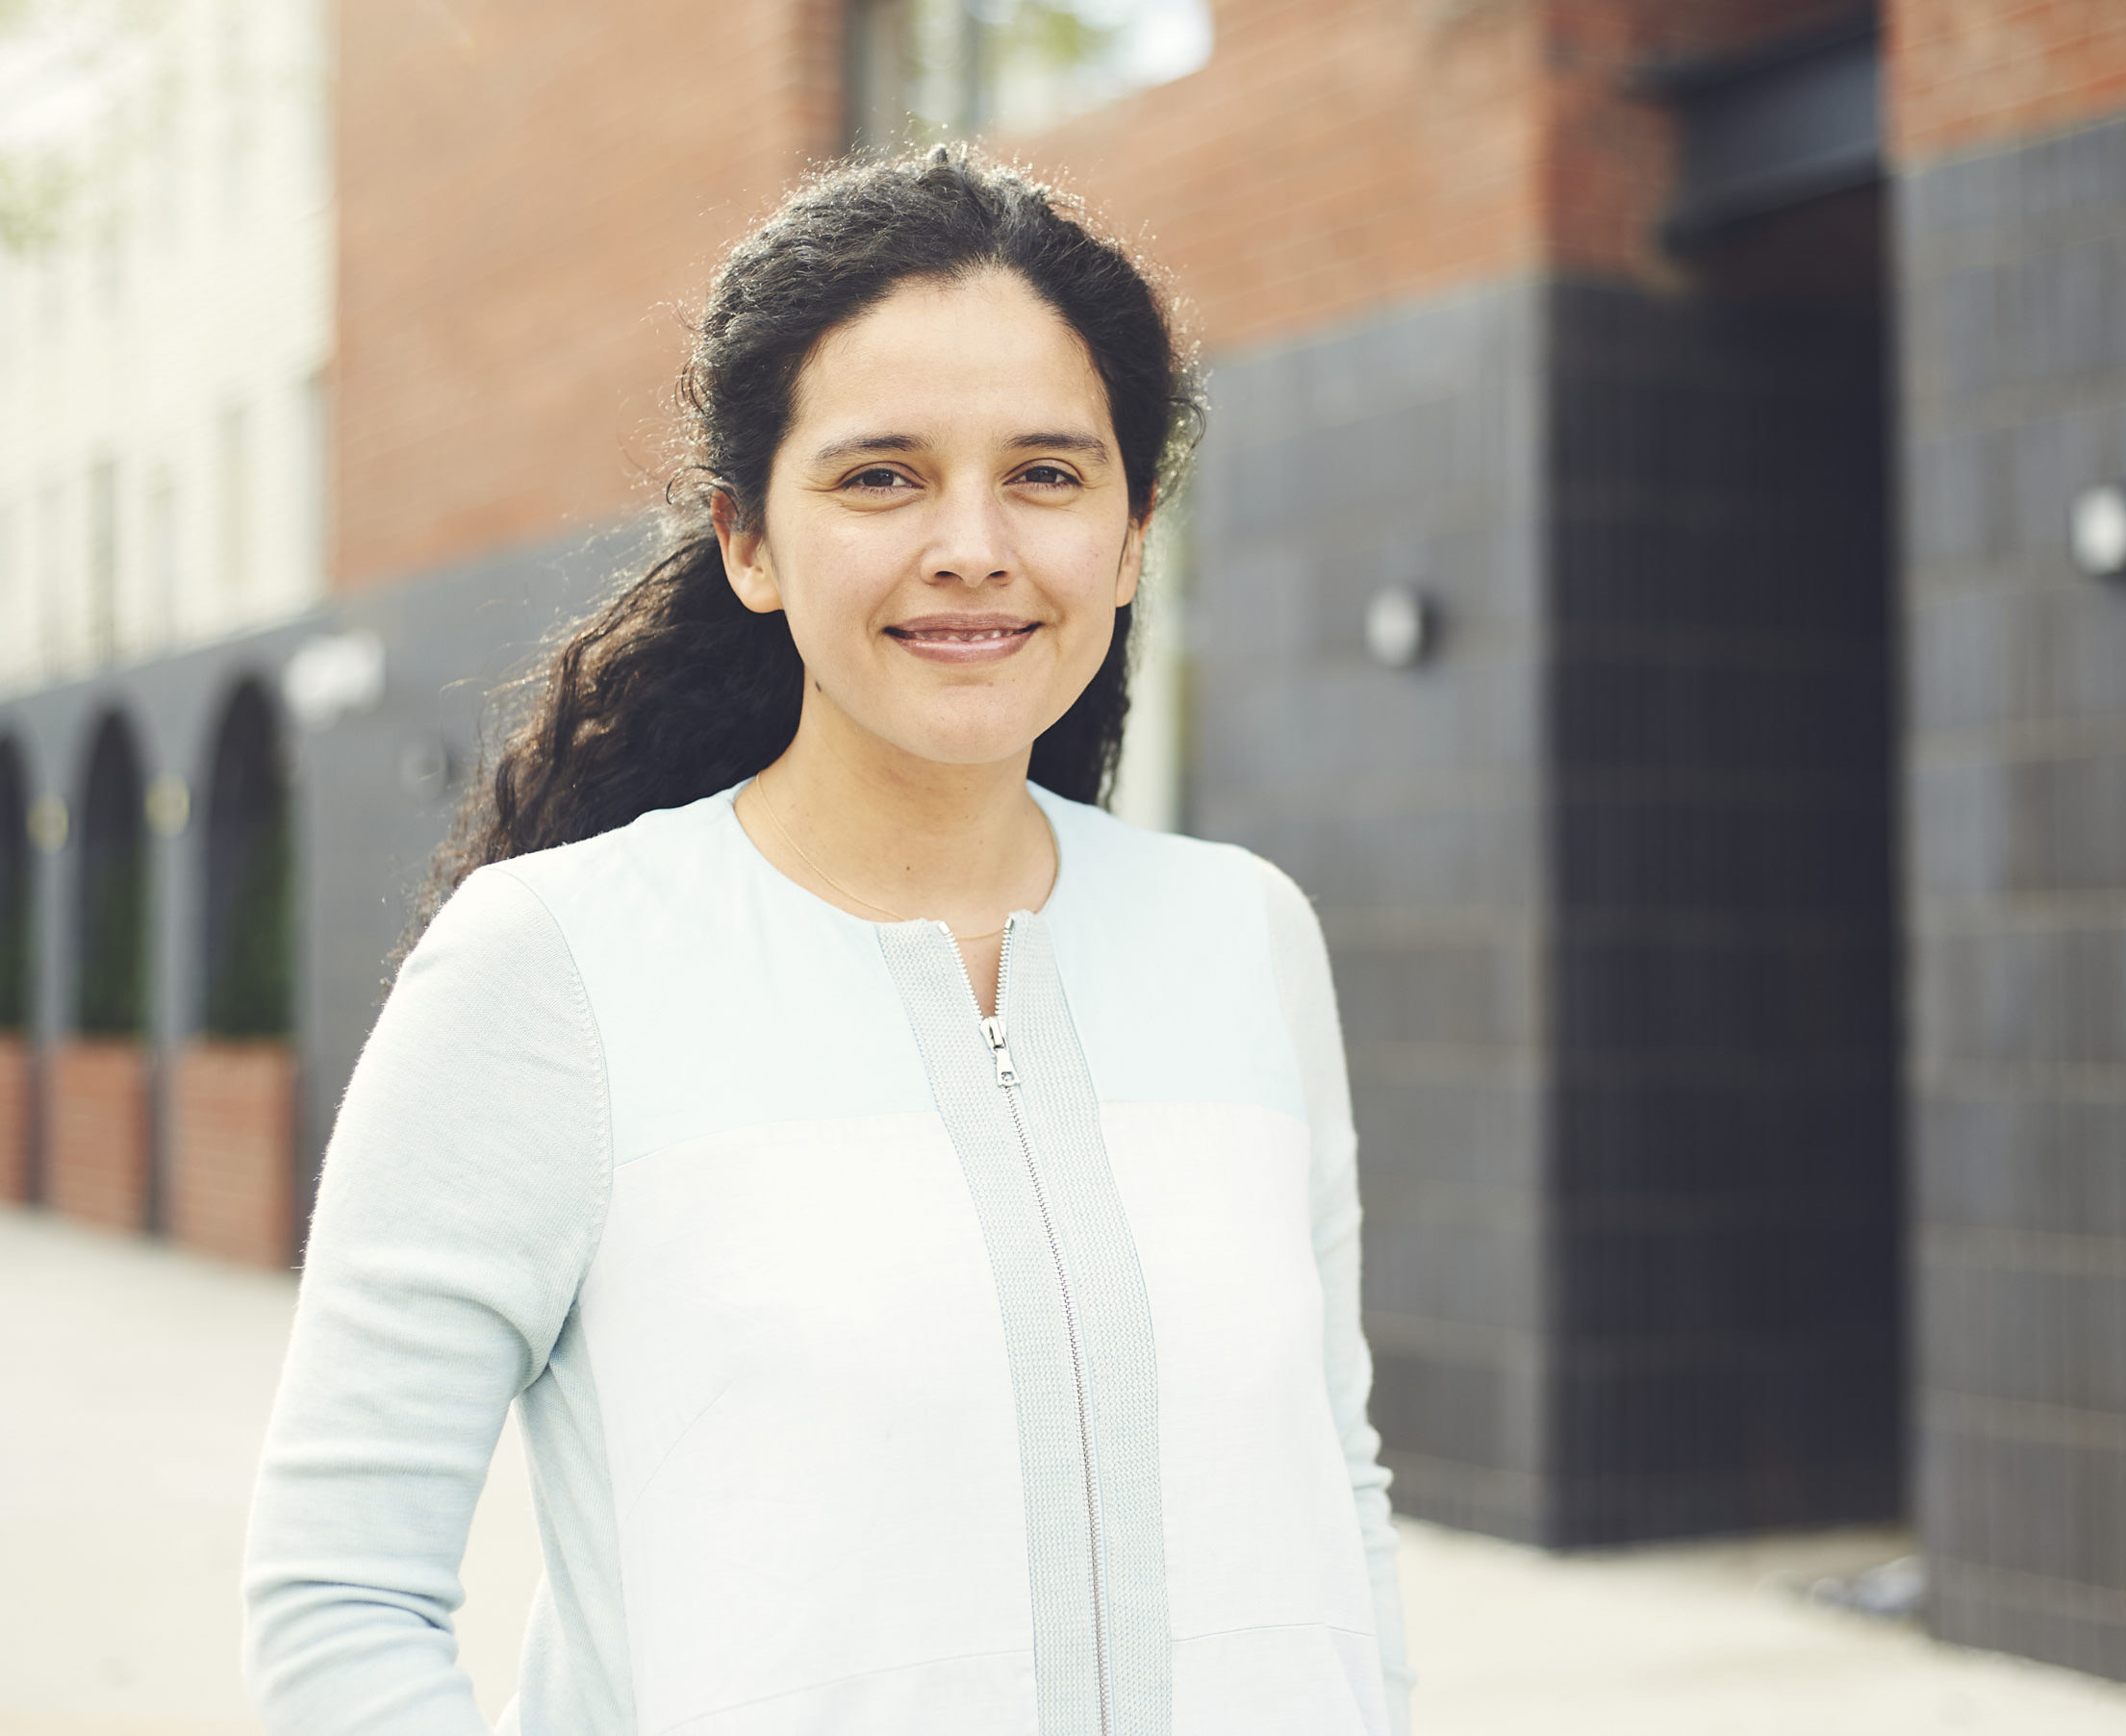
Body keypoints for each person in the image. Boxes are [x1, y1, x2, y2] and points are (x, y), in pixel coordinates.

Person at [240, 146, 1412, 1736]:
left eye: (1049, 476)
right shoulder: (551, 966)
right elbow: (341, 1603)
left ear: (1132, 539)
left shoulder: (1246, 933)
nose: (974, 545)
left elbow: (1330, 1490)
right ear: (748, 538)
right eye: (883, 476)